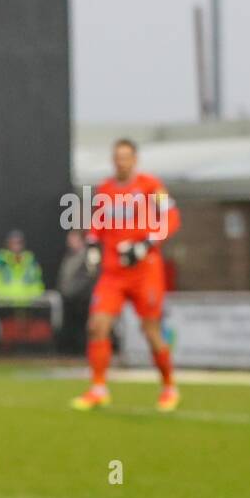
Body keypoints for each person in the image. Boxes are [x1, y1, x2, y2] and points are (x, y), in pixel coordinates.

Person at [72, 138, 181, 412]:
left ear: (135, 159)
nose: (121, 161)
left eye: (126, 157)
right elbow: (97, 225)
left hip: (145, 272)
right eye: (117, 157)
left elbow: (172, 218)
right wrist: (94, 247)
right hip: (113, 274)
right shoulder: (104, 190)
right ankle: (98, 388)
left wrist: (145, 245)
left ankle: (169, 386)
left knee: (150, 331)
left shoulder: (151, 186)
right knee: (97, 325)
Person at [56, 229, 93, 354]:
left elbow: (89, 277)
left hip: (82, 300)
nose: (69, 242)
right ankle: (71, 352)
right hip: (68, 299)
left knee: (82, 329)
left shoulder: (88, 256)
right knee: (70, 328)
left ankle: (83, 353)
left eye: (72, 239)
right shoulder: (69, 256)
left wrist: (76, 292)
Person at [0, 230, 44, 306]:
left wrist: (32, 298)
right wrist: (1, 299)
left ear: (23, 244)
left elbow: (37, 283)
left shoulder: (30, 260)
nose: (16, 246)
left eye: (19, 242)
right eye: (13, 242)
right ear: (7, 244)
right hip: (4, 305)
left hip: (27, 306)